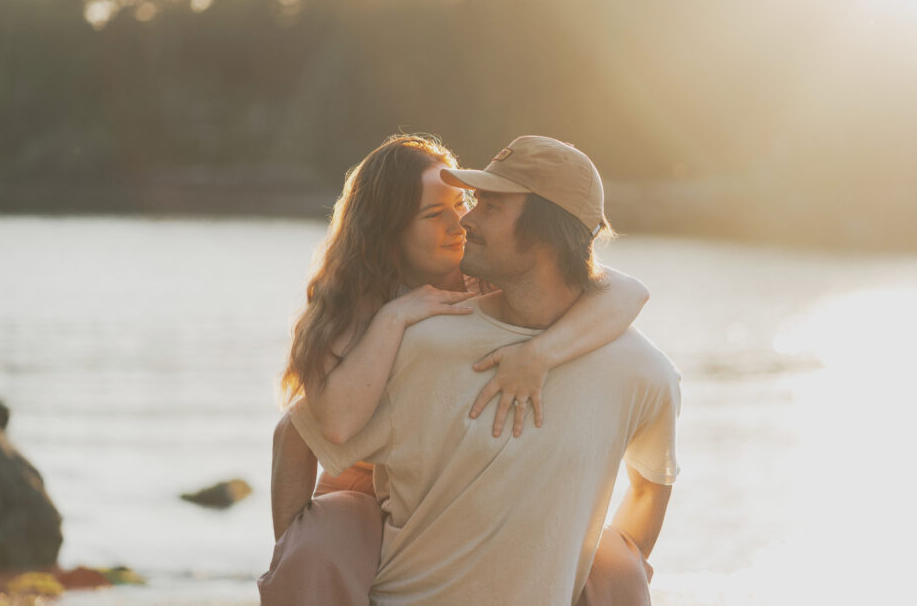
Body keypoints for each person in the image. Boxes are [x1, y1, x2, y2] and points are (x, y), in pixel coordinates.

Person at [262, 136, 680, 605]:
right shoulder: (366, 315)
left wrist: (541, 353)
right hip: (363, 485)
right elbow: (315, 429)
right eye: (432, 214)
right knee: (314, 553)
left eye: (467, 203)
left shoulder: (487, 279)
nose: (461, 221)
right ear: (388, 233)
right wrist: (394, 318)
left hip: (443, 482)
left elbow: (624, 291)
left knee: (618, 571)